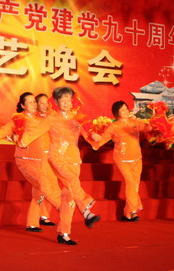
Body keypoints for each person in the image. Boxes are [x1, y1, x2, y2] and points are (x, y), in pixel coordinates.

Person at [0, 92, 61, 232]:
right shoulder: (18, 119)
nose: (34, 104)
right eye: (30, 102)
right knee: (43, 183)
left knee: (42, 189)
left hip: (43, 160)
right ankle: (62, 206)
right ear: (22, 105)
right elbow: (3, 132)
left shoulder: (41, 119)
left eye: (34, 101)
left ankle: (37, 219)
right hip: (26, 160)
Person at [44, 86, 100, 245]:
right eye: (62, 99)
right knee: (72, 181)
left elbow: (88, 135)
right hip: (57, 157)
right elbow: (34, 131)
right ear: (56, 102)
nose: (66, 102)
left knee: (68, 197)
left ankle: (64, 233)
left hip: (74, 160)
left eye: (68, 99)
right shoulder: (50, 119)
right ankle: (86, 209)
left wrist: (95, 136)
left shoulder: (78, 118)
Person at [91, 100, 148, 222]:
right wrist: (95, 138)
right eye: (122, 110)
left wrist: (158, 121)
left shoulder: (135, 122)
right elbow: (103, 139)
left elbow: (147, 128)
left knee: (135, 185)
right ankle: (132, 211)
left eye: (126, 108)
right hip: (122, 159)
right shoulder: (114, 126)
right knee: (130, 183)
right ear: (116, 113)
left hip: (137, 158)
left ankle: (128, 212)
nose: (125, 111)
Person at [34, 93, 59, 227]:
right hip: (38, 157)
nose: (45, 105)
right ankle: (37, 215)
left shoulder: (52, 118)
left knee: (52, 184)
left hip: (51, 156)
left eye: (46, 103)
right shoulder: (34, 119)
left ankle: (44, 216)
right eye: (42, 103)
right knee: (42, 186)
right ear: (36, 104)